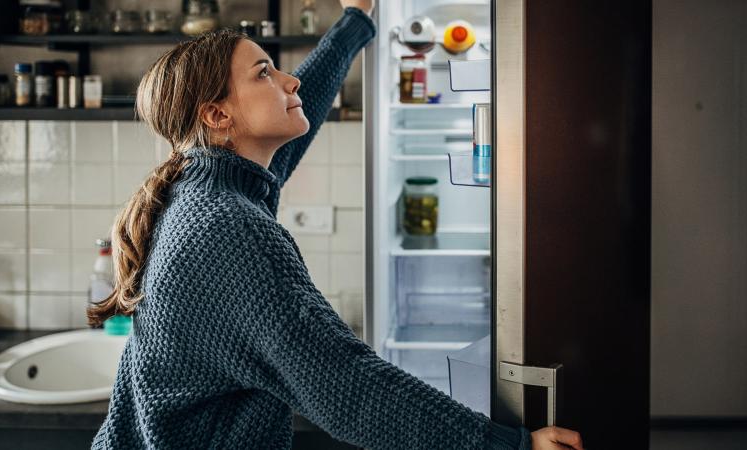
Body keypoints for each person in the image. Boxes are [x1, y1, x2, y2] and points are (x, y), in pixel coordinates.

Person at [87, 1, 583, 449]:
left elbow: (306, 101)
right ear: (217, 114)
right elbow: (345, 384)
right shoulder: (228, 229)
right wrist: (506, 446)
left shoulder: (209, 187)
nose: (289, 80)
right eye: (264, 74)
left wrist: (356, 19)